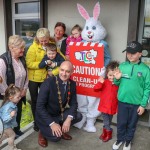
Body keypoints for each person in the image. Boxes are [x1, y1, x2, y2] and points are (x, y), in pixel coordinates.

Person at [112, 41, 150, 150]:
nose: (130, 55)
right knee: (121, 123)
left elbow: (147, 88)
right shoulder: (122, 66)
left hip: (136, 104)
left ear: (140, 54)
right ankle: (120, 139)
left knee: (132, 125)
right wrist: (117, 78)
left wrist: (143, 105)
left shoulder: (145, 70)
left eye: (133, 53)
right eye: (128, 52)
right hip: (122, 102)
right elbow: (117, 83)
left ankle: (128, 141)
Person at [36, 61, 82, 148]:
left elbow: (74, 103)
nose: (64, 74)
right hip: (45, 117)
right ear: (59, 70)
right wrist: (52, 123)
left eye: (67, 71)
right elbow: (39, 107)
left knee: (78, 116)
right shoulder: (48, 83)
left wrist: (68, 119)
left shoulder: (72, 84)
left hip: (59, 114)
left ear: (72, 72)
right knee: (56, 138)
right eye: (62, 70)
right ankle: (42, 132)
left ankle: (60, 128)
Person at [26, 28, 59, 132]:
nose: (44, 43)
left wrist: (53, 72)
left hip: (46, 78)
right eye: (42, 41)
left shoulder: (53, 46)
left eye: (46, 40)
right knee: (35, 101)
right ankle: (36, 122)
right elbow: (29, 63)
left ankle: (46, 120)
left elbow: (61, 61)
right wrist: (43, 64)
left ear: (49, 38)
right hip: (34, 79)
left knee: (46, 100)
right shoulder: (32, 48)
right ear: (37, 39)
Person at [0, 35, 28, 137]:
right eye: (21, 48)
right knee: (6, 116)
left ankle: (16, 130)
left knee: (17, 112)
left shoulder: (22, 59)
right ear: (11, 47)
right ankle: (4, 134)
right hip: (8, 96)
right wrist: (9, 95)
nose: (23, 50)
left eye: (23, 47)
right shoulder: (3, 60)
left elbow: (26, 75)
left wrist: (24, 89)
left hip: (18, 95)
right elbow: (1, 81)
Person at [94, 61, 119, 142]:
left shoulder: (118, 84)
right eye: (110, 75)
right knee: (106, 120)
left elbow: (120, 97)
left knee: (109, 120)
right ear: (107, 74)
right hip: (104, 106)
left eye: (114, 75)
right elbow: (95, 89)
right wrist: (100, 83)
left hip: (112, 107)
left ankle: (105, 132)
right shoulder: (104, 82)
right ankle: (108, 133)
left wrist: (118, 108)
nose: (112, 77)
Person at [0, 84, 21, 150]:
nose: (20, 98)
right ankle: (12, 148)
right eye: (18, 97)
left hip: (4, 126)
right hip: (5, 126)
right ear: (11, 98)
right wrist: (10, 116)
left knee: (6, 135)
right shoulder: (9, 107)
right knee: (12, 135)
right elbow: (3, 119)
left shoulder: (8, 103)